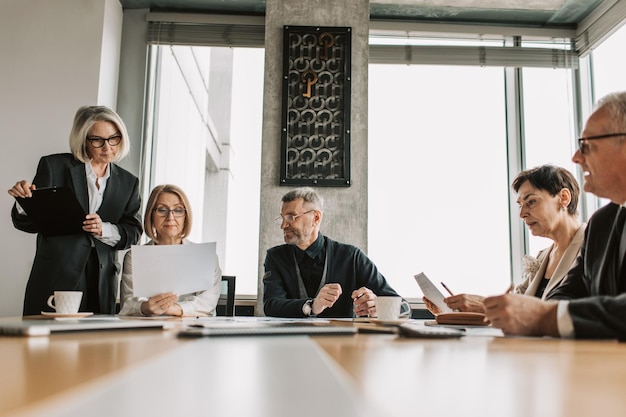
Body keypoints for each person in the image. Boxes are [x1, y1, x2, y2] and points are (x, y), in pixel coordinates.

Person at [483, 91, 626, 339]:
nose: (576, 157)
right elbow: (567, 292)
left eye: (586, 145)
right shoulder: (602, 223)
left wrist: (544, 317)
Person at [8, 105, 142, 315]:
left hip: (101, 280)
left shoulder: (129, 182)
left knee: (94, 344)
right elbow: (30, 224)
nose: (107, 147)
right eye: (97, 140)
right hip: (56, 275)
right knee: (46, 345)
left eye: (113, 138)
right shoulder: (54, 166)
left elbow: (133, 232)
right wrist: (23, 202)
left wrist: (104, 229)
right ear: (83, 139)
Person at [425, 165, 586, 314]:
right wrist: (457, 312)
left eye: (531, 202)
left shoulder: (594, 245)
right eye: (520, 205)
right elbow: (518, 307)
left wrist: (484, 305)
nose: (522, 214)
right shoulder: (543, 256)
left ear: (563, 198)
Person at [263, 187, 402, 318]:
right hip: (290, 342)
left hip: (343, 342)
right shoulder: (275, 257)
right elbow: (270, 305)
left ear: (316, 218)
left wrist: (377, 306)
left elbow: (403, 307)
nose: (283, 225)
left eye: (291, 217)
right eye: (282, 218)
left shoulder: (351, 257)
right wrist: (311, 306)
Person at [119, 184, 221, 317]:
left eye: (178, 210)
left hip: (192, 331)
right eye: (162, 210)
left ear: (186, 216)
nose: (170, 217)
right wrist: (145, 307)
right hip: (148, 331)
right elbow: (128, 303)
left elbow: (207, 303)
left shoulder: (206, 257)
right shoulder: (134, 257)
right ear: (151, 215)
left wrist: (177, 309)